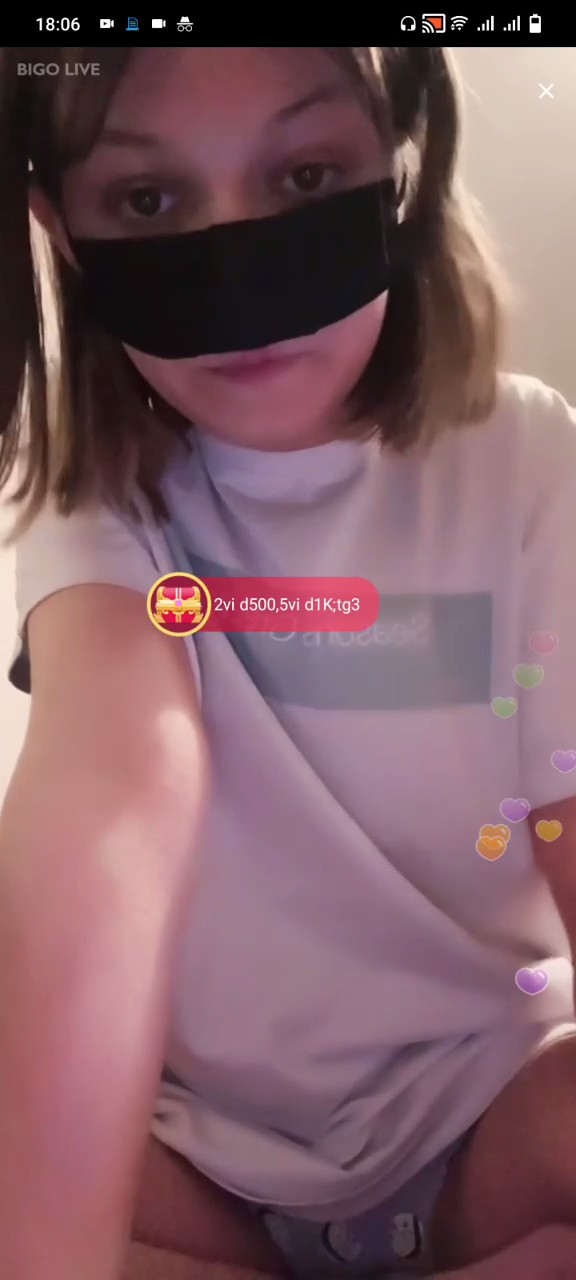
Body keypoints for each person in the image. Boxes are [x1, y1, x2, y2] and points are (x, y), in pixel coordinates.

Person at [1, 44, 576, 1280]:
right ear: (62, 232)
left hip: (487, 1120)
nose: (235, 264)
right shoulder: (92, 492)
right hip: (202, 1169)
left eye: (307, 175)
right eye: (148, 200)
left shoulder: (524, 453)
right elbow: (114, 781)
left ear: (403, 170)